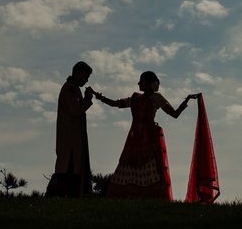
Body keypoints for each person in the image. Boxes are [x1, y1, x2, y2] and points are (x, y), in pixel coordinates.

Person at [94, 71, 198, 200]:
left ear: (148, 83)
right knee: (131, 166)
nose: (138, 83)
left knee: (149, 167)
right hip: (135, 139)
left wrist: (186, 100)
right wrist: (101, 98)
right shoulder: (135, 98)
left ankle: (147, 199)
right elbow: (117, 104)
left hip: (148, 139)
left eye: (141, 81)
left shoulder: (156, 98)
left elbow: (174, 114)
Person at [45, 61, 94, 197]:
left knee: (72, 169)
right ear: (78, 73)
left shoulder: (74, 88)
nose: (86, 80)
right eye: (85, 76)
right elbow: (76, 111)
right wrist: (87, 100)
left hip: (74, 138)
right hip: (69, 139)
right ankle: (53, 195)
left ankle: (71, 196)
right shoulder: (69, 89)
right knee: (65, 168)